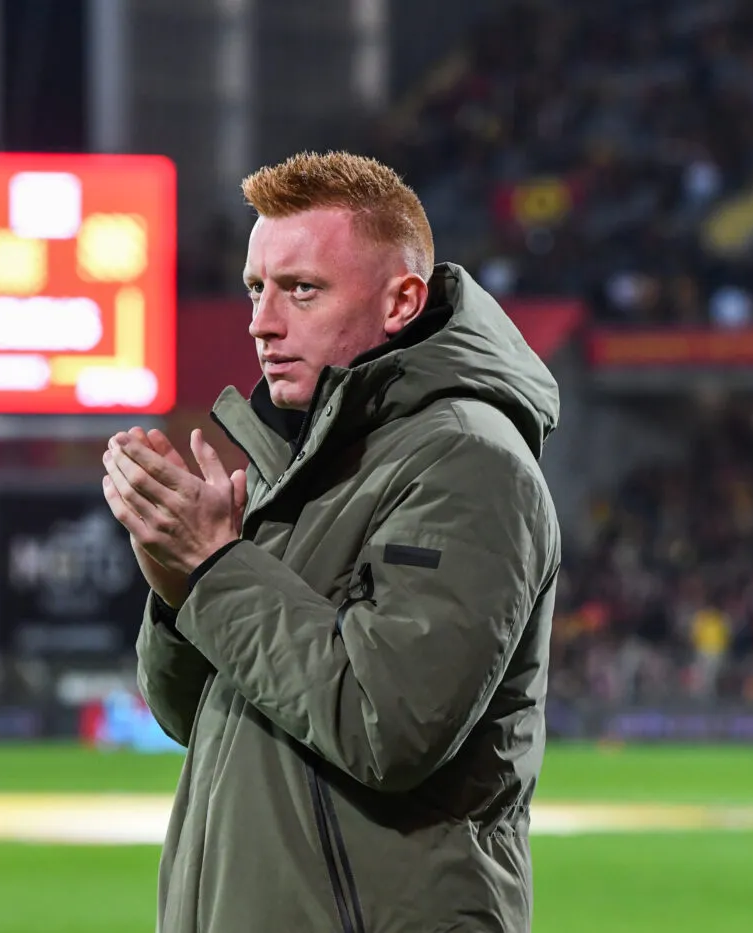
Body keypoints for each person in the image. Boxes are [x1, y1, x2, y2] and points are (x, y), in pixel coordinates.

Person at [102, 151, 561, 933]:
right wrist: (181, 588)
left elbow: (388, 724)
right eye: (256, 288)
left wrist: (216, 567)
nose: (261, 321)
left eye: (301, 290)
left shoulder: (466, 458)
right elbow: (192, 715)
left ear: (401, 302)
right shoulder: (310, 463)